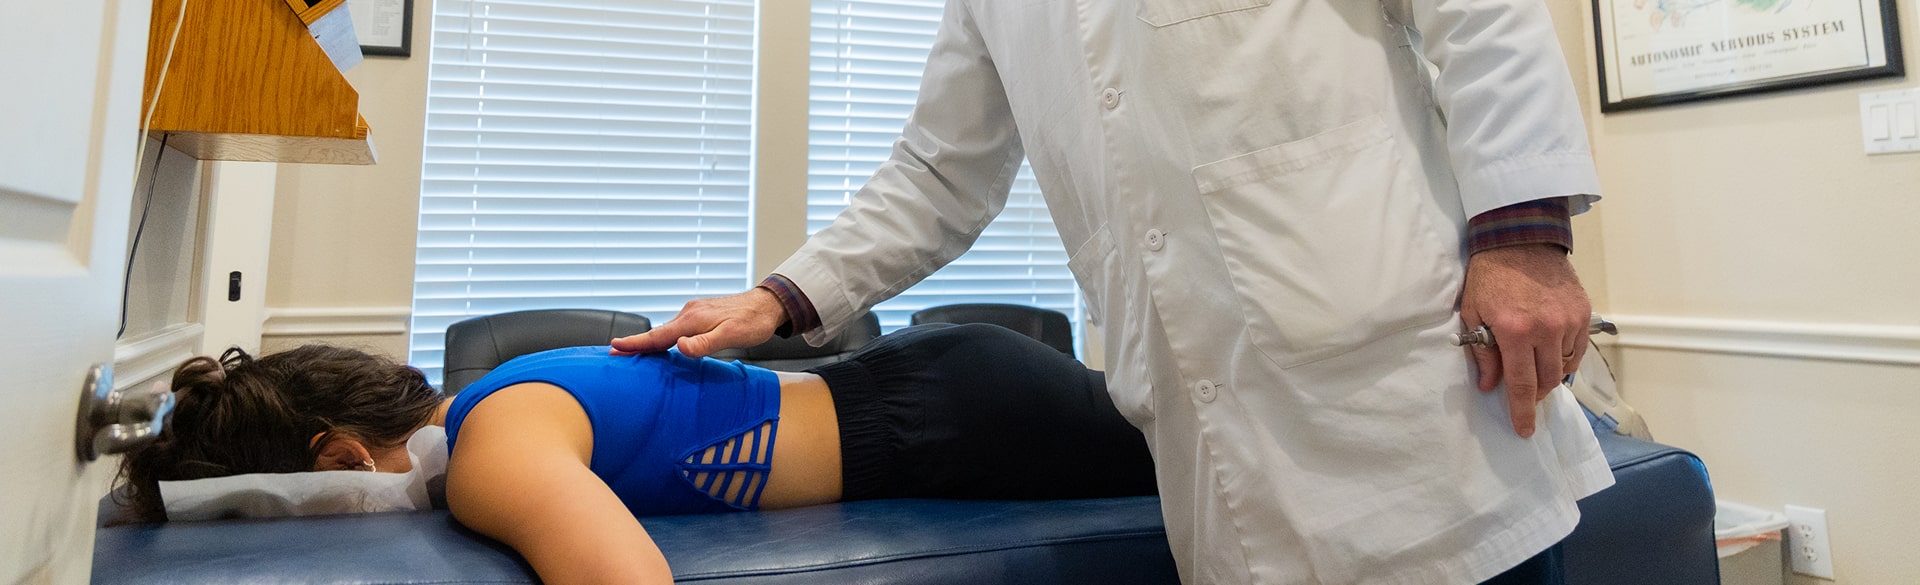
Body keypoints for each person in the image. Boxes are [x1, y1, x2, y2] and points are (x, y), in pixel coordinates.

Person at [610, 1, 1615, 583]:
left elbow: (1481, 12)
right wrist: (780, 299)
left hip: (1410, 414)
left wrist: (1525, 238)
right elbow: (939, 170)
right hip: (1212, 459)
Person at [119, 323, 1156, 584]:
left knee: (1227, 465)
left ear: (342, 460)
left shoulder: (491, 447)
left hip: (953, 413)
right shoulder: (492, 405)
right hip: (924, 393)